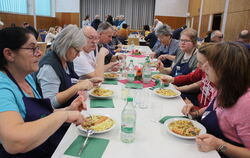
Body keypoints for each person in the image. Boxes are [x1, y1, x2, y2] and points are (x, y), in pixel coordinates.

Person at [0, 27, 86, 157]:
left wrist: (68, 109)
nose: (40, 53)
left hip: (43, 146)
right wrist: (64, 116)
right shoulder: (3, 87)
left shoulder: (27, 77)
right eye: (32, 48)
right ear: (9, 54)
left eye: (38, 48)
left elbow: (42, 114)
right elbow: (14, 142)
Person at [182, 42, 250, 158]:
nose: (203, 67)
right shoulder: (222, 87)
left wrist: (220, 145)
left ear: (225, 70)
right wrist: (197, 112)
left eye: (209, 64)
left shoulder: (245, 104)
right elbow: (216, 109)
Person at [35, 25, 101, 109]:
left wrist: (86, 81)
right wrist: (77, 87)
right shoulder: (49, 67)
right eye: (77, 51)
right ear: (66, 46)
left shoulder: (66, 59)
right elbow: (51, 102)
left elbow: (67, 81)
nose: (78, 55)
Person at [161, 43, 216, 108]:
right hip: (197, 102)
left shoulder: (219, 84)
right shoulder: (202, 69)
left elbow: (212, 111)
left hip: (201, 110)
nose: (198, 65)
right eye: (181, 40)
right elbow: (190, 77)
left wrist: (196, 111)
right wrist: (173, 79)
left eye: (201, 63)